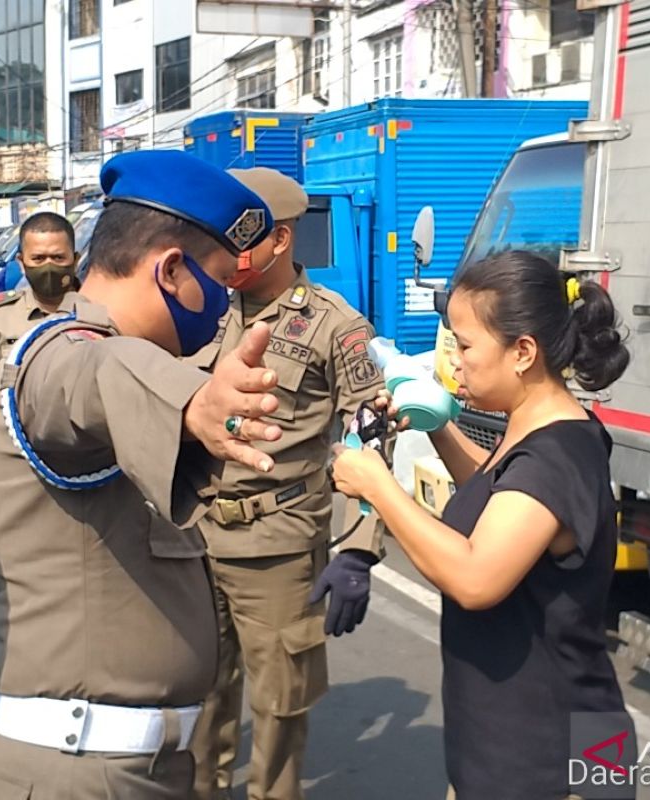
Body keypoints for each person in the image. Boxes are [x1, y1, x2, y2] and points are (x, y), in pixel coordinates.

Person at [0, 150, 288, 800]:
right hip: (74, 774)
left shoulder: (119, 357)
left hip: (125, 771)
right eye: (217, 284)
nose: (221, 308)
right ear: (172, 270)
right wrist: (193, 401)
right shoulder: (53, 353)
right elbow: (91, 377)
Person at [331, 251, 637, 800]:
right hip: (527, 735)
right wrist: (439, 424)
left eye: (466, 345)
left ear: (523, 352)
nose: (455, 361)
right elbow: (501, 497)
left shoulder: (554, 458)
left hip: (545, 754)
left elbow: (476, 579)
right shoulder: (548, 431)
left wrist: (379, 485)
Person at [186, 167, 387, 800]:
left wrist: (360, 545)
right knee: (198, 695)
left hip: (276, 543)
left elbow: (373, 433)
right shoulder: (198, 310)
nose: (230, 253)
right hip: (190, 538)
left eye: (245, 237)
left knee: (279, 708)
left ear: (281, 240)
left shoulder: (334, 325)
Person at [0, 212, 79, 424]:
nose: (48, 267)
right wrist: (4, 438)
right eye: (38, 259)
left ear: (75, 260)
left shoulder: (101, 313)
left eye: (58, 258)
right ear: (21, 263)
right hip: (16, 448)